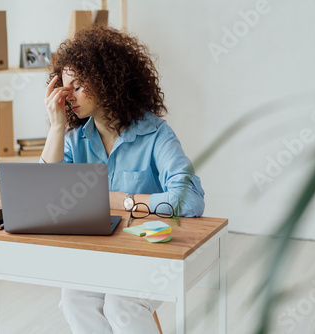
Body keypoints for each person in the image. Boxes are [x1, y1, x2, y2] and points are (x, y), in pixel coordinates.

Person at [41, 26, 205, 334]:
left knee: (121, 304)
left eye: (78, 85)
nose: (70, 96)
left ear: (107, 80)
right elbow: (48, 197)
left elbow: (191, 198)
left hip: (151, 253)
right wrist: (55, 127)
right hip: (100, 255)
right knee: (74, 298)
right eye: (65, 88)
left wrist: (123, 201)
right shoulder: (74, 138)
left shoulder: (155, 134)